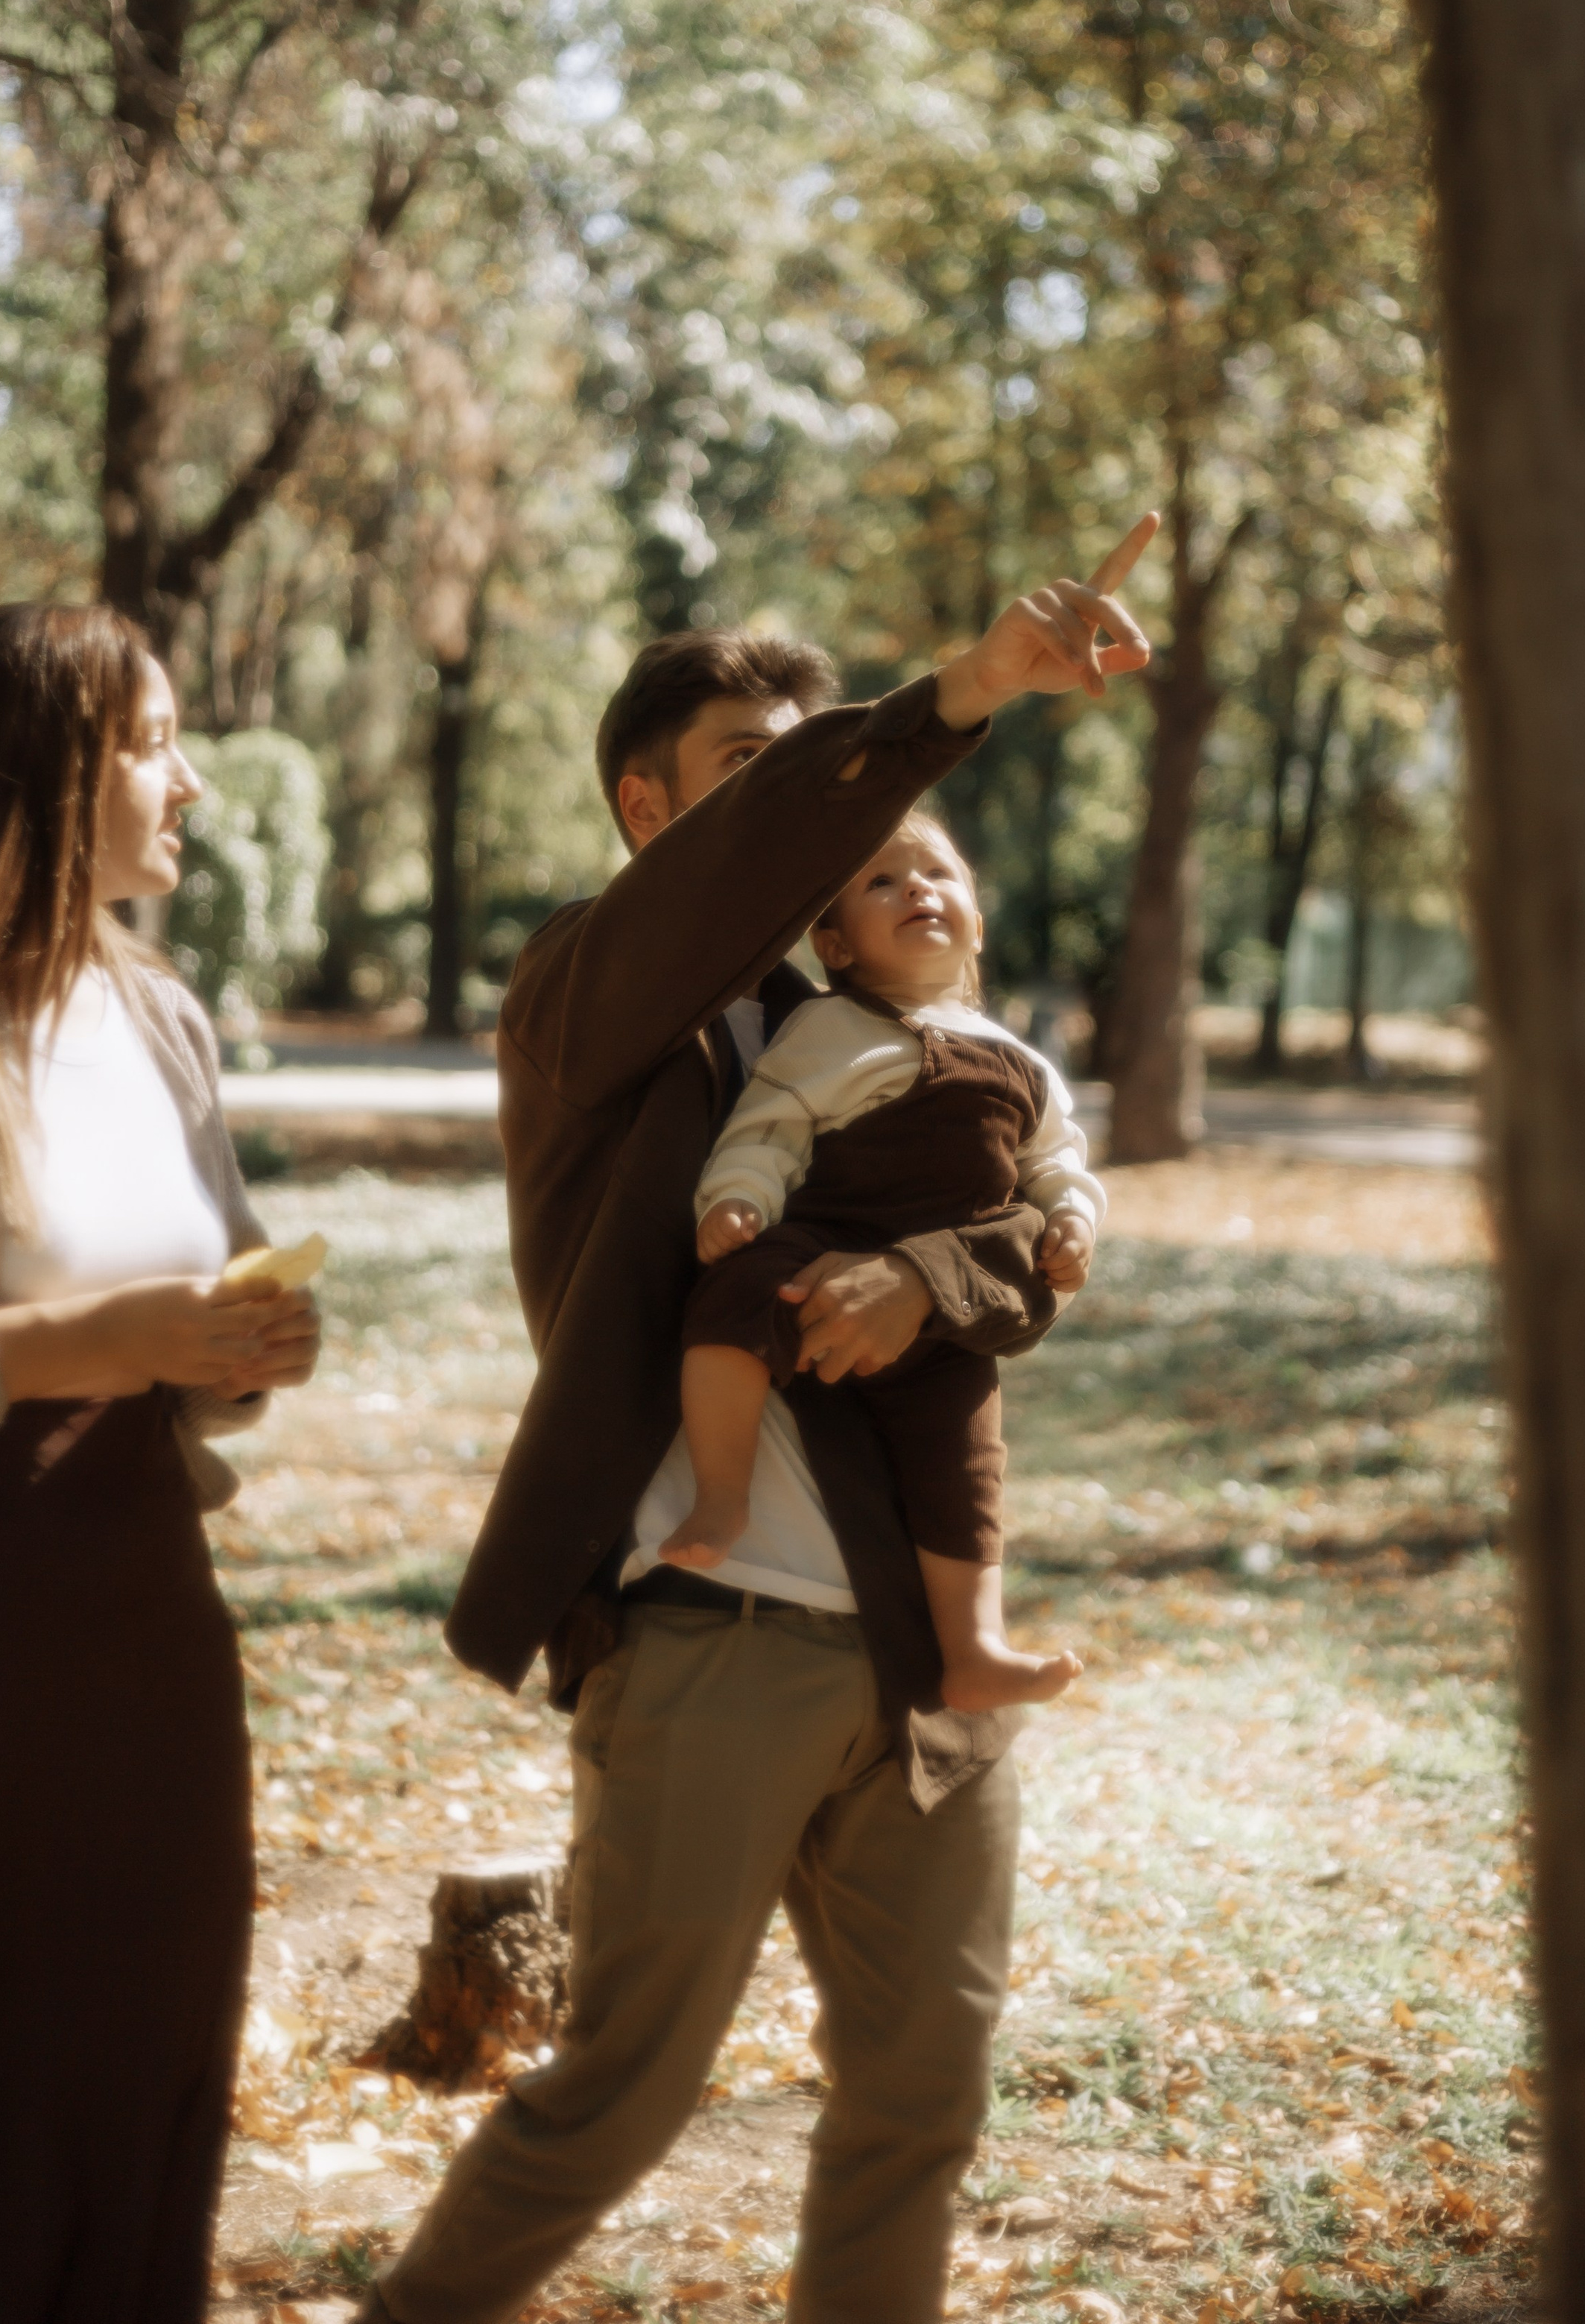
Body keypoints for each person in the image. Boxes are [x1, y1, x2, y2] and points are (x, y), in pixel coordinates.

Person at [359, 516, 1154, 2324]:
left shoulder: (889, 1024)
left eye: (830, 757)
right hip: (709, 1640)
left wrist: (930, 1285)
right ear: (654, 808)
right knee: (615, 2101)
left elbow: (1035, 1244)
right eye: (761, 765)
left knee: (918, 2099)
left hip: (919, 1658)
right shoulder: (591, 1002)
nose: (824, 797)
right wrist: (957, 691)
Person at [0, 604, 322, 2324]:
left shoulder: (157, 1012)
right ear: (39, 772)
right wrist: (88, 1342)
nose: (195, 779)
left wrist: (237, 1349)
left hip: (148, 1614)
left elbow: (194, 1293)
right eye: (153, 739)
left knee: (134, 2047)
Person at [667, 808, 1106, 1712]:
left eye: (940, 876)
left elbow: (1056, 1165)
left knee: (967, 1461)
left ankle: (975, 1646)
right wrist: (737, 1199)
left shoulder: (1022, 1062)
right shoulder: (826, 1031)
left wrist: (1069, 1218)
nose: (917, 888)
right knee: (731, 1302)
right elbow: (771, 1129)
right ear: (833, 943)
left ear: (976, 925)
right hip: (829, 1233)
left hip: (953, 1301)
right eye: (881, 881)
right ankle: (721, 1493)